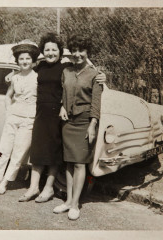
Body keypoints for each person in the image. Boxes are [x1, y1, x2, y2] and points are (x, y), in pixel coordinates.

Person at [18, 32, 106, 203]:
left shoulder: (65, 67)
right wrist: (11, 75)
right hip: (41, 113)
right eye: (47, 49)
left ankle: (49, 188)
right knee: (37, 150)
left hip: (59, 114)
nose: (50, 53)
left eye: (54, 49)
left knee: (54, 152)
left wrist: (103, 76)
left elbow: (83, 78)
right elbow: (24, 70)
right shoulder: (40, 66)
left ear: (59, 51)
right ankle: (33, 187)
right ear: (43, 51)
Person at [0, 39, 40, 195]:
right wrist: (8, 110)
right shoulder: (15, 77)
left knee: (18, 154)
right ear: (17, 61)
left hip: (28, 120)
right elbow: (8, 96)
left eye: (28, 58)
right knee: (3, 150)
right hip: (13, 118)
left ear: (33, 61)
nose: (24, 61)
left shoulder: (38, 77)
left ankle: (4, 182)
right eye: (22, 59)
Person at [53, 34, 102, 220]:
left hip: (84, 122)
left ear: (87, 52)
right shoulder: (66, 71)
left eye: (81, 50)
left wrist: (93, 125)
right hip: (68, 122)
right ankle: (67, 202)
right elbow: (61, 93)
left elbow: (96, 103)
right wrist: (62, 107)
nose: (77, 54)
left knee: (80, 163)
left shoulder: (95, 75)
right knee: (69, 162)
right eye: (74, 50)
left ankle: (75, 204)